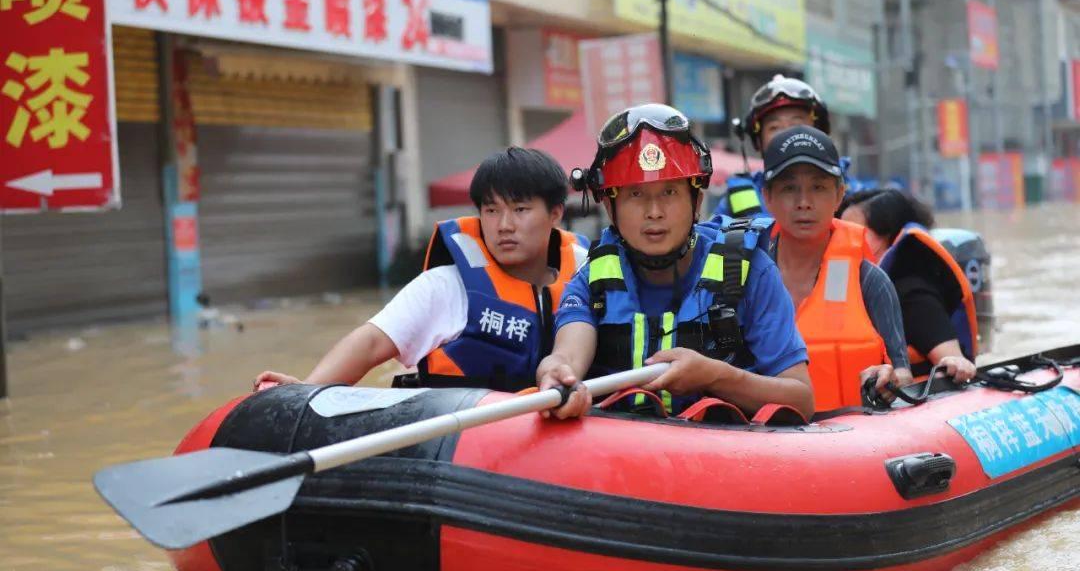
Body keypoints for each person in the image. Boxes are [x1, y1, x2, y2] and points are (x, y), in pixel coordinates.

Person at [537, 104, 813, 420]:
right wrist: (556, 374)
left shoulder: (751, 271)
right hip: (620, 462)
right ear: (611, 208)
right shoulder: (593, 278)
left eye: (669, 191)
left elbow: (801, 397)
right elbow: (566, 356)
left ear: (696, 201)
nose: (654, 211)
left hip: (726, 461)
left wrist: (716, 376)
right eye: (636, 195)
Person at [254, 147, 588, 393]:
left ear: (556, 213)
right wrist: (306, 390)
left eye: (521, 209)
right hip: (468, 445)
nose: (504, 225)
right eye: (491, 210)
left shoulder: (588, 277)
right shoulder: (445, 287)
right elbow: (371, 343)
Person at [760, 126, 913, 411]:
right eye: (789, 188)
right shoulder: (744, 278)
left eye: (818, 187)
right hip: (769, 443)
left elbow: (903, 371)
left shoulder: (869, 280)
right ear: (767, 197)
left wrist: (891, 378)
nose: (804, 203)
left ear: (839, 194)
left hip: (849, 442)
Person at [839, 189, 978, 383]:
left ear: (887, 235)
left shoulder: (911, 295)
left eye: (855, 231)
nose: (842, 239)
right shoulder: (842, 287)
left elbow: (955, 363)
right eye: (840, 231)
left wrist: (955, 362)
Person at [712, 75, 831, 220]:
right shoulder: (740, 195)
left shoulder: (853, 194)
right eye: (774, 127)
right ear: (758, 141)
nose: (787, 135)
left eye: (797, 124)